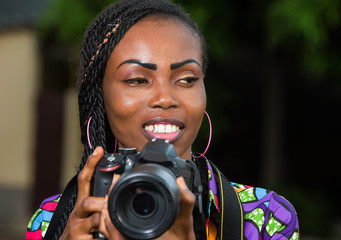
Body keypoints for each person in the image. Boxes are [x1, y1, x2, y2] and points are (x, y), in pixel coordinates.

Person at [26, 0, 299, 239]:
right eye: (137, 80)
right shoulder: (53, 219)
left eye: (187, 79)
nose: (165, 98)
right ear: (101, 100)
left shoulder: (266, 219)